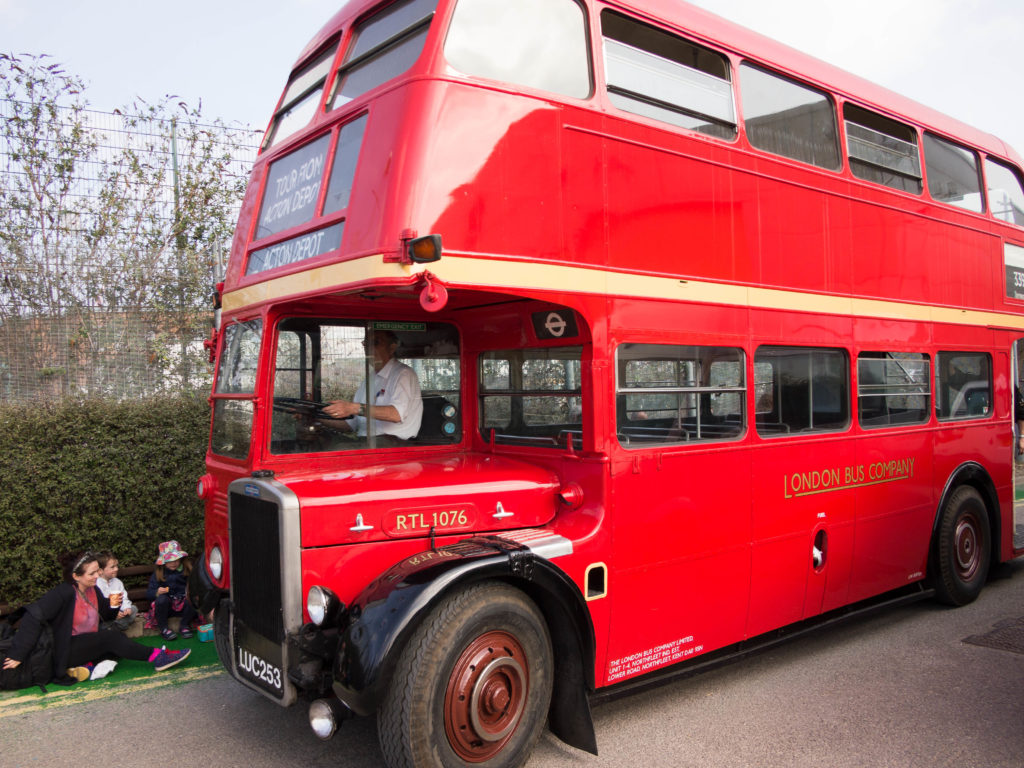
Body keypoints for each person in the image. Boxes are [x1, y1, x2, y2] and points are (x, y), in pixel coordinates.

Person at [1, 551, 190, 685]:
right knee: (111, 639)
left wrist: (115, 606)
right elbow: (33, 617)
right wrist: (18, 654)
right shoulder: (64, 593)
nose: (97, 575)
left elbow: (105, 616)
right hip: (62, 648)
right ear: (76, 576)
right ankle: (157, 657)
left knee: (118, 644)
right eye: (92, 573)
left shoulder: (93, 590)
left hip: (82, 643)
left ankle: (87, 667)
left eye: (98, 570)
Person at [321, 329, 423, 443]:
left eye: (375, 343)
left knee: (335, 450)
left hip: (392, 445)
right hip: (367, 443)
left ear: (392, 348)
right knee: (320, 443)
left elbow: (396, 414)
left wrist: (352, 408)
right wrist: (318, 417)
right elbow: (350, 425)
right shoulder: (369, 380)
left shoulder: (403, 374)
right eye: (366, 344)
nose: (369, 349)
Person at [145, 540, 198, 641]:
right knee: (161, 600)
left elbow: (195, 586)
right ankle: (164, 628)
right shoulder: (158, 573)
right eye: (170, 560)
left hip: (184, 607)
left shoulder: (186, 570)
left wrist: (192, 592)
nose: (174, 563)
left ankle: (184, 625)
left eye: (177, 559)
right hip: (167, 607)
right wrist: (157, 592)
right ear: (163, 561)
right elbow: (149, 594)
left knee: (193, 598)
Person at [95, 551, 138, 632]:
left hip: (119, 612)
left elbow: (124, 598)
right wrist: (113, 613)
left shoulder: (117, 582)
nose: (116, 569)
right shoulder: (96, 584)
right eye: (112, 567)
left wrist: (126, 608)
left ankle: (114, 627)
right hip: (105, 615)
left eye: (116, 566)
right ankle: (115, 627)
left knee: (133, 609)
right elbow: (99, 606)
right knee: (100, 621)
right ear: (100, 571)